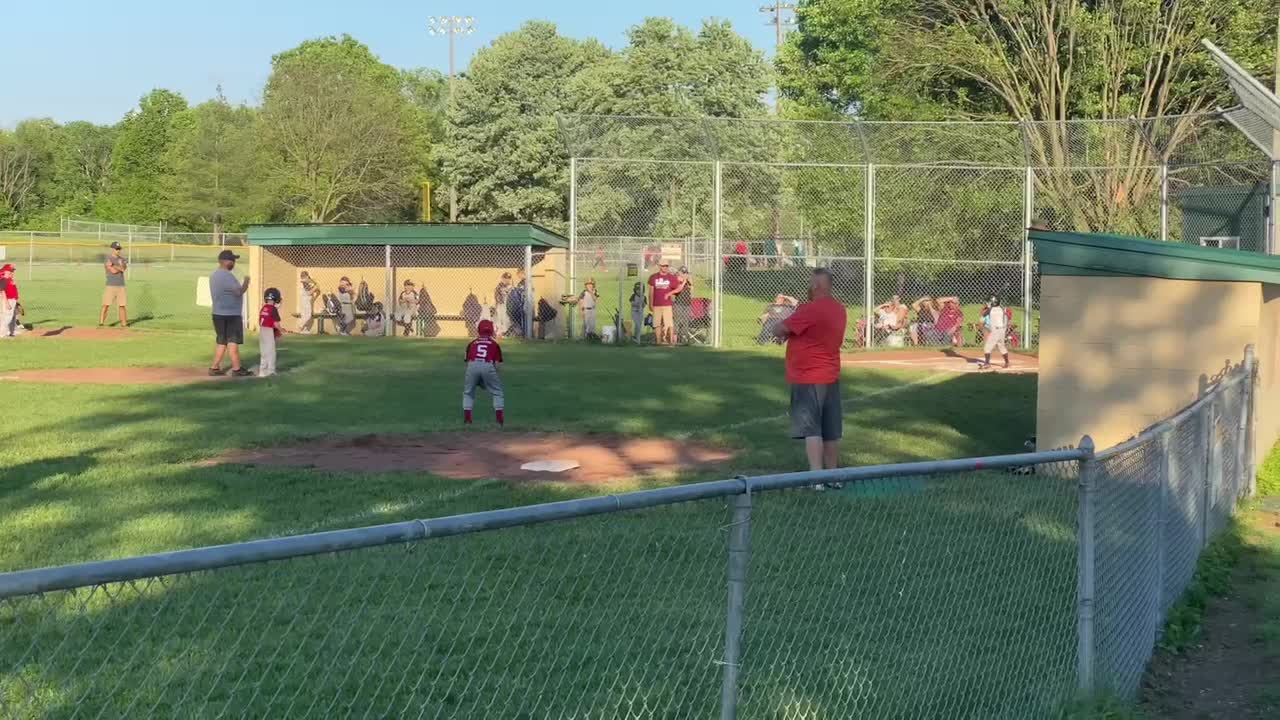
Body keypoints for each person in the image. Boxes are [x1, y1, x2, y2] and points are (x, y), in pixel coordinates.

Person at [774, 268, 848, 480]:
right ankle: (833, 476)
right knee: (831, 430)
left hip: (808, 376)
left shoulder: (810, 309)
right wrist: (791, 334)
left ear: (816, 286)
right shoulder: (839, 309)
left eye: (811, 283)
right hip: (830, 375)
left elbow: (779, 329)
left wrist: (784, 332)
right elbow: (812, 332)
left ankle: (816, 478)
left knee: (812, 429)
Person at [208, 250, 252, 376]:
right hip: (231, 314)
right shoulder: (226, 276)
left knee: (222, 342)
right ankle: (237, 369)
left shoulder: (214, 275)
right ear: (224, 261)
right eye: (232, 260)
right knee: (232, 342)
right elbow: (239, 291)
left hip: (218, 313)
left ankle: (214, 368)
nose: (234, 262)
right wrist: (246, 282)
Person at [463, 319, 505, 426]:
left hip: (472, 365)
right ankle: (499, 419)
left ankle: (467, 418)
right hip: (488, 365)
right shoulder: (494, 344)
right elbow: (497, 365)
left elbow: (467, 363)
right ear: (492, 331)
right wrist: (488, 379)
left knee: (468, 392)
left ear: (478, 331)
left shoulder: (472, 343)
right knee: (497, 391)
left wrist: (477, 379)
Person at [647, 261, 684, 346]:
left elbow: (679, 288)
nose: (665, 268)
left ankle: (671, 342)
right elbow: (651, 292)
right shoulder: (653, 277)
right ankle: (658, 342)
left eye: (667, 266)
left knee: (669, 323)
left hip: (667, 304)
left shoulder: (671, 277)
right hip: (657, 304)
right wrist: (650, 303)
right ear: (660, 266)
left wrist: (669, 293)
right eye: (663, 266)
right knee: (657, 323)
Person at [257, 287, 287, 378]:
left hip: (262, 330)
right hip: (269, 331)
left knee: (264, 351)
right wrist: (281, 329)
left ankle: (262, 371)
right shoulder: (273, 309)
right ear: (276, 298)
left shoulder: (264, 308)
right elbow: (275, 323)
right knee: (271, 352)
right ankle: (271, 371)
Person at [100, 241, 128, 328]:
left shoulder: (122, 259)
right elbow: (113, 271)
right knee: (106, 305)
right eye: (116, 249)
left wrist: (114, 265)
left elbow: (123, 269)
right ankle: (101, 323)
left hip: (121, 285)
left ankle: (124, 324)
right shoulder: (108, 259)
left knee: (122, 305)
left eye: (119, 249)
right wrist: (118, 267)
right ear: (112, 249)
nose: (118, 250)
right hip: (111, 285)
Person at [981, 296, 1011, 369]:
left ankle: (987, 363)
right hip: (1002, 331)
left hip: (995, 331)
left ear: (993, 303)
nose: (988, 303)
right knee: (1001, 346)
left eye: (990, 302)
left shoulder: (991, 310)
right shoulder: (1001, 309)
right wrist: (990, 306)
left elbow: (984, 314)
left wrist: (988, 307)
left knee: (987, 348)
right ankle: (1007, 362)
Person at [672, 266, 695, 343]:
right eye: (683, 273)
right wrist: (684, 281)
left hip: (687, 304)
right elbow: (678, 290)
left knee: (685, 321)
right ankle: (675, 340)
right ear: (679, 273)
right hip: (679, 303)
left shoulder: (687, 281)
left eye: (686, 273)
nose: (685, 275)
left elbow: (692, 292)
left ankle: (683, 338)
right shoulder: (676, 280)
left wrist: (691, 283)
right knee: (677, 321)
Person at [0, 264, 18, 338]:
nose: (12, 272)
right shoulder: (3, 280)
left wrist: (16, 302)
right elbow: (2, 292)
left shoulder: (10, 279)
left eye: (12, 271)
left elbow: (13, 290)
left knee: (13, 317)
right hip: (8, 300)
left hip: (13, 300)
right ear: (5, 271)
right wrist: (7, 303)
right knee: (7, 317)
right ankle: (2, 334)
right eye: (10, 271)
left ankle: (11, 332)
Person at [494, 272, 514, 337]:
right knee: (500, 318)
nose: (507, 279)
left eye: (508, 278)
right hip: (501, 305)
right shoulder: (499, 286)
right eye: (505, 278)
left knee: (507, 320)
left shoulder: (512, 286)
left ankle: (506, 332)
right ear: (502, 278)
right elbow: (497, 297)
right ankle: (499, 332)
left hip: (509, 306)